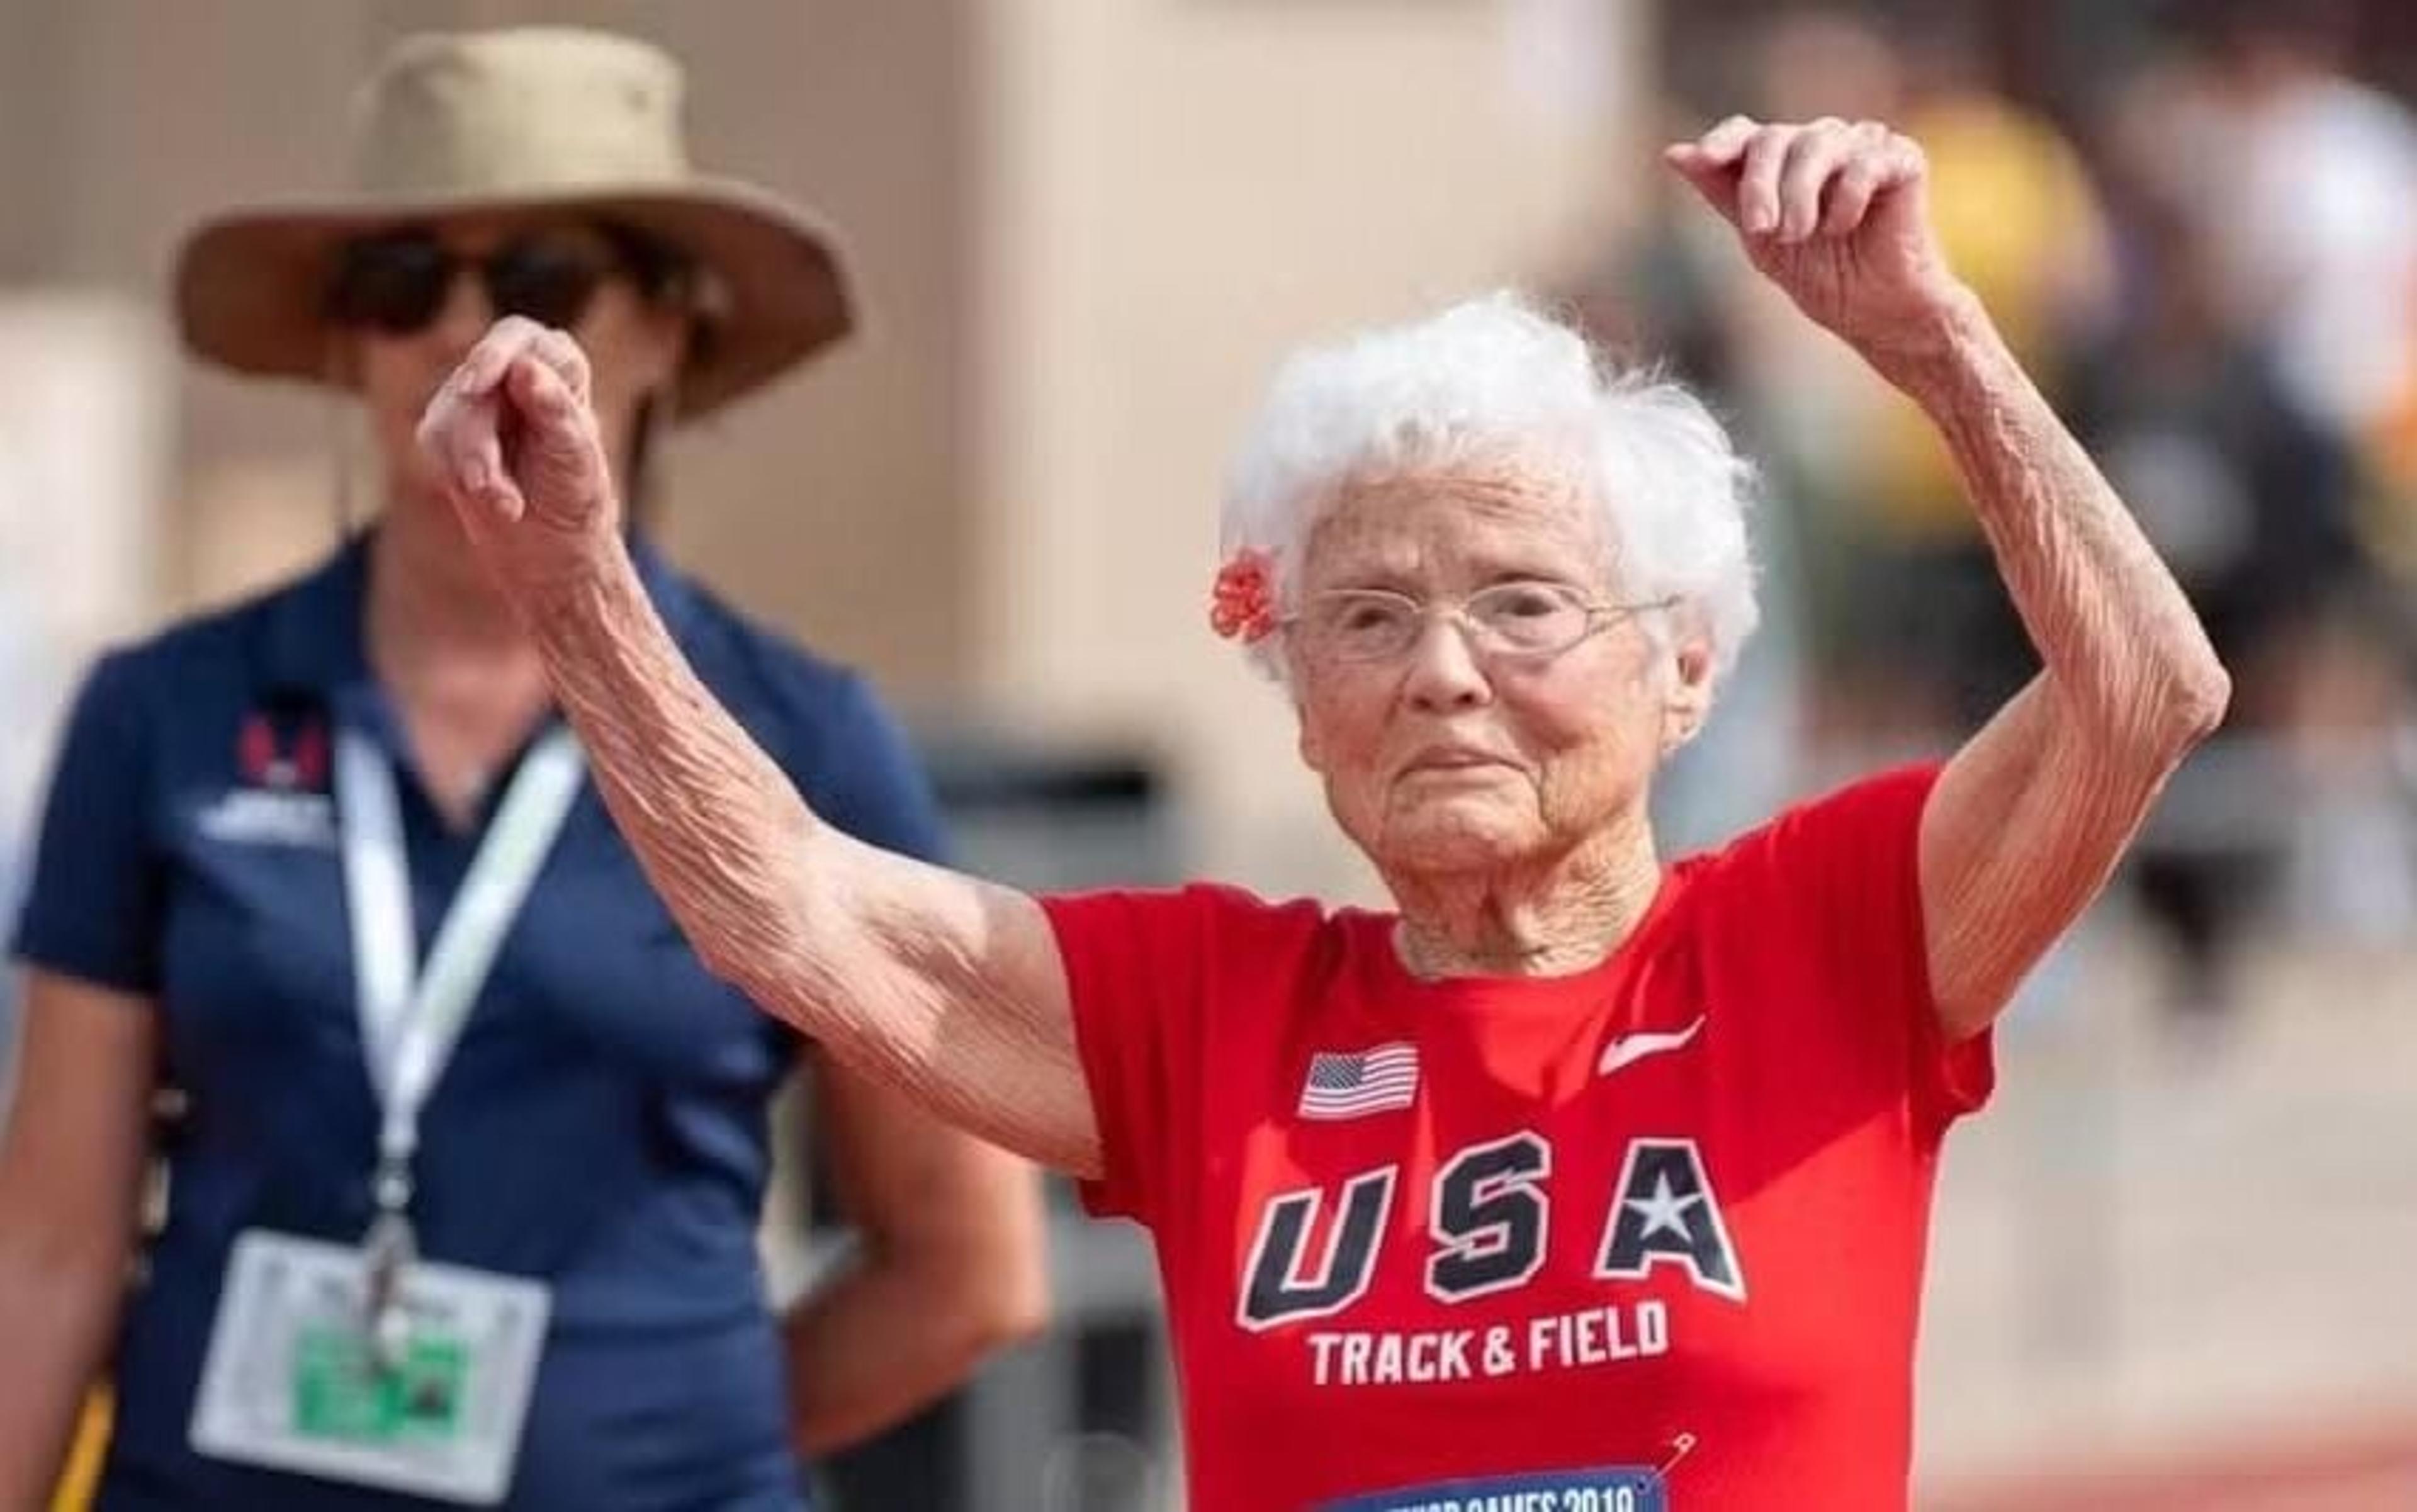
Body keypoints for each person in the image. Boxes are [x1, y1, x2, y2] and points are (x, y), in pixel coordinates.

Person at [421, 115, 2228, 1509]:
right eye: (1366, 618)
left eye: (1523, 603)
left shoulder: (1824, 935)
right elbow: (794, 912)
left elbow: (2144, 687)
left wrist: (1930, 343)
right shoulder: (1208, 1014)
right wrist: (574, 586)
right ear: (1299, 706)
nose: (1442, 671)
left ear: (1687, 669)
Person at [0, 27, 1044, 1512]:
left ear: (669, 328)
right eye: (401, 281)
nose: (463, 329)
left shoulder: (799, 740)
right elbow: (47, 1249)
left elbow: (967, 1268)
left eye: (542, 279)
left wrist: (672, 1438)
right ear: (346, 339)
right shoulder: (160, 716)